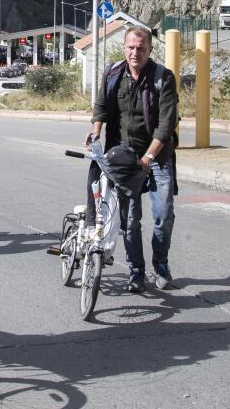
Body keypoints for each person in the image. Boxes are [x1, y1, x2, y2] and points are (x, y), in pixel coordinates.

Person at [89, 26, 179, 293]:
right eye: (130, 47)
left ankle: (160, 263)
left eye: (141, 48)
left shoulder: (163, 77)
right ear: (124, 48)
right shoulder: (113, 73)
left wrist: (149, 156)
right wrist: (95, 134)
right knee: (130, 220)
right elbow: (101, 107)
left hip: (158, 156)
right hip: (124, 157)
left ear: (150, 49)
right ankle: (136, 271)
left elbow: (166, 124)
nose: (135, 52)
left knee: (163, 215)